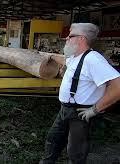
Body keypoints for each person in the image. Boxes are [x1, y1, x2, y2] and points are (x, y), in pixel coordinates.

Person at [40, 23, 120, 164]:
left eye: (70, 36)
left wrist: (95, 109)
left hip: (80, 113)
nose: (66, 38)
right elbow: (65, 60)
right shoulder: (76, 57)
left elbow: (117, 86)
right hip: (65, 109)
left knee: (76, 152)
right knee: (53, 140)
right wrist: (51, 56)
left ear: (81, 39)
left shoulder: (93, 59)